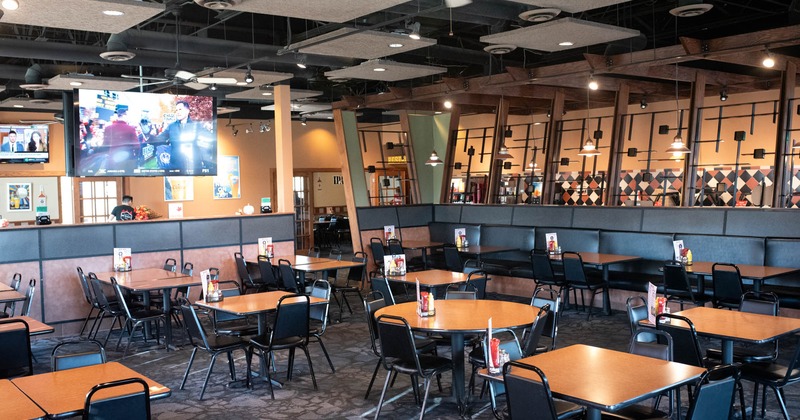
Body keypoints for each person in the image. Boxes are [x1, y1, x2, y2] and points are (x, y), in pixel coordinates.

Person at [157, 100, 214, 174]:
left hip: (194, 167)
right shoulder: (171, 126)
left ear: (187, 111)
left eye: (180, 109)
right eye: (176, 110)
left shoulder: (196, 126)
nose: (178, 112)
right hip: (176, 167)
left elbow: (209, 139)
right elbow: (159, 138)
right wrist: (149, 139)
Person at [103, 105, 139, 171]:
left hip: (112, 161)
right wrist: (135, 157)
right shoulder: (130, 129)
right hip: (126, 162)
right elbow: (136, 146)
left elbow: (105, 145)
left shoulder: (108, 128)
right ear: (125, 115)